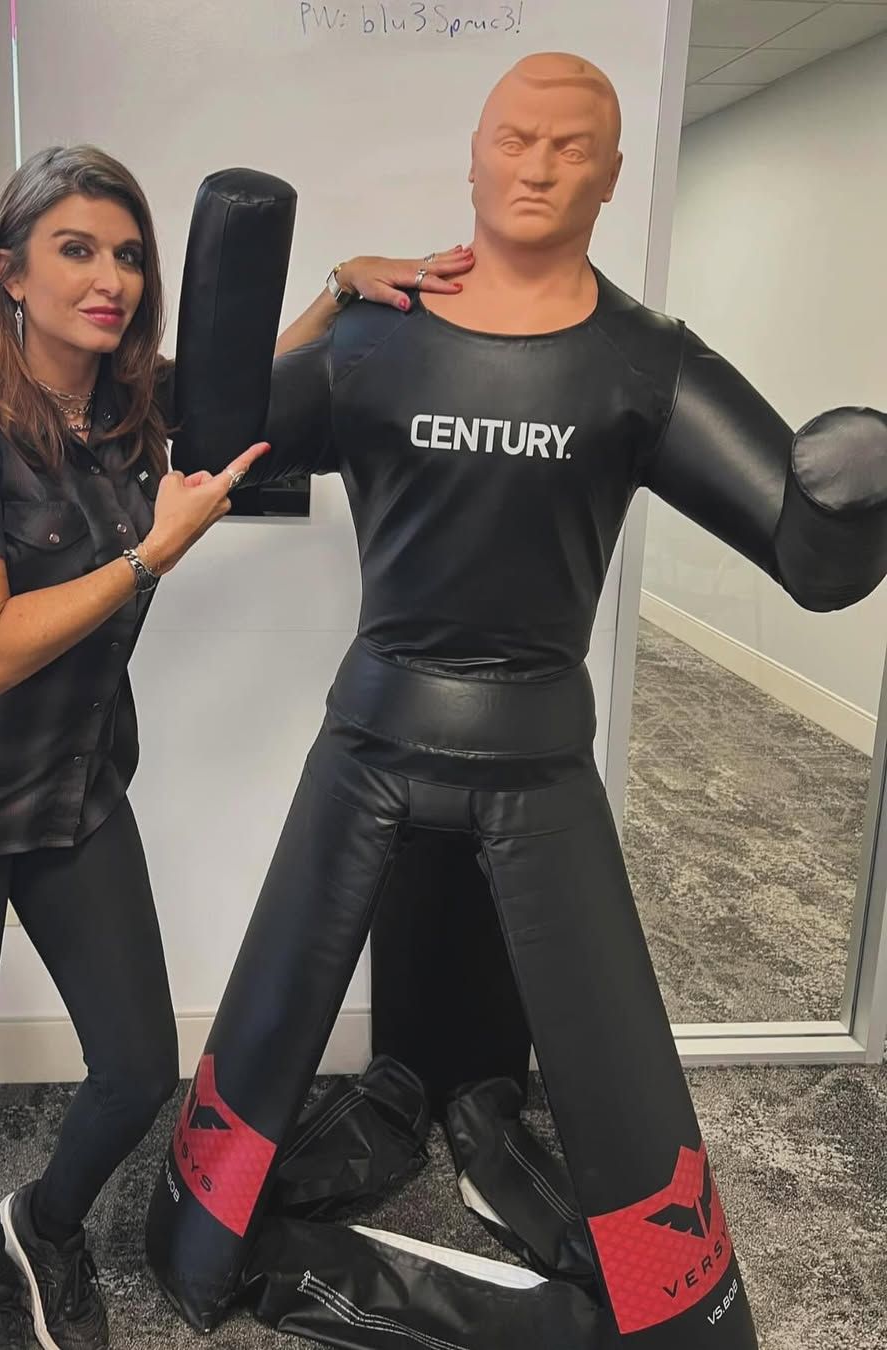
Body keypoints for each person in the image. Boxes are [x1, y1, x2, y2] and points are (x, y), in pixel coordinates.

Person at [149, 53, 887, 1349]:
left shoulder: (642, 363)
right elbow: (218, 436)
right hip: (369, 736)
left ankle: (677, 1303)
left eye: (571, 145)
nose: (539, 166)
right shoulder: (377, 336)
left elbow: (805, 547)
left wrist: (853, 485)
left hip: (540, 753)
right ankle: (209, 1225)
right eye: (516, 139)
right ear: (476, 156)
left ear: (610, 172)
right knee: (279, 997)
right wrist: (291, 282)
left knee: (605, 1039)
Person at [0, 142, 472, 1350]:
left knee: (136, 1063)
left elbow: (240, 388)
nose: (111, 277)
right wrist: (148, 556)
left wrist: (338, 290)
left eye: (129, 254)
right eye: (77, 249)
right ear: (10, 271)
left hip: (71, 789)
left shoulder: (131, 407)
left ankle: (46, 1220)